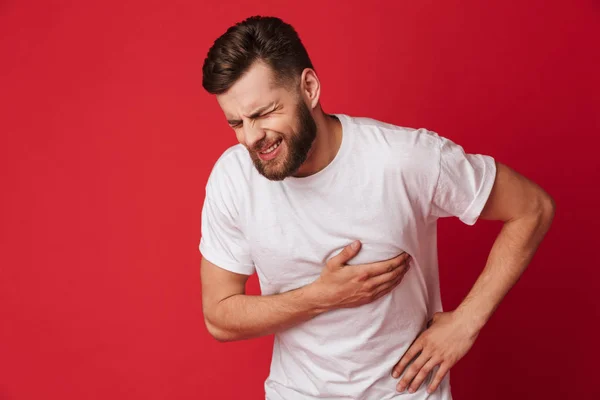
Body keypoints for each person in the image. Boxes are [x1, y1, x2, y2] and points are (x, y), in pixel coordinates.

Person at [198, 15, 555, 400]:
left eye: (263, 113)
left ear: (309, 88)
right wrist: (322, 296)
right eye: (236, 123)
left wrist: (467, 322)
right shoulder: (233, 178)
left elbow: (533, 207)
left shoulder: (404, 159)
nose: (251, 138)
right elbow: (219, 316)